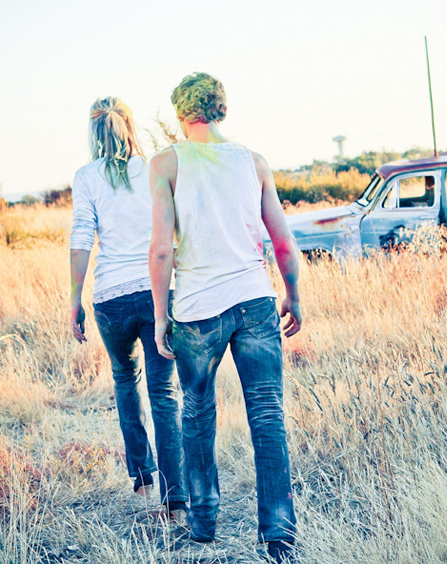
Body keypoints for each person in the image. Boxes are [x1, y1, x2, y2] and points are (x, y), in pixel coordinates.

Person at [148, 73, 302, 563]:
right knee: (268, 414)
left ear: (180, 114)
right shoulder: (254, 162)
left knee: (196, 412)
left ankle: (203, 520)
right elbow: (282, 241)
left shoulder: (166, 164)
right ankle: (278, 532)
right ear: (222, 110)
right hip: (255, 300)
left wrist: (160, 315)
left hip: (197, 309)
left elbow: (160, 250)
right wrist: (293, 295)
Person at [69, 96, 187, 521]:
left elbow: (81, 237)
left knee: (124, 380)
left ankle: (142, 478)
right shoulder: (156, 167)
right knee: (164, 393)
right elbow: (178, 225)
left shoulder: (86, 177)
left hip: (111, 298)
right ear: (130, 126)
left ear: (94, 132)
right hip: (158, 291)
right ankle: (175, 501)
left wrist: (74, 298)